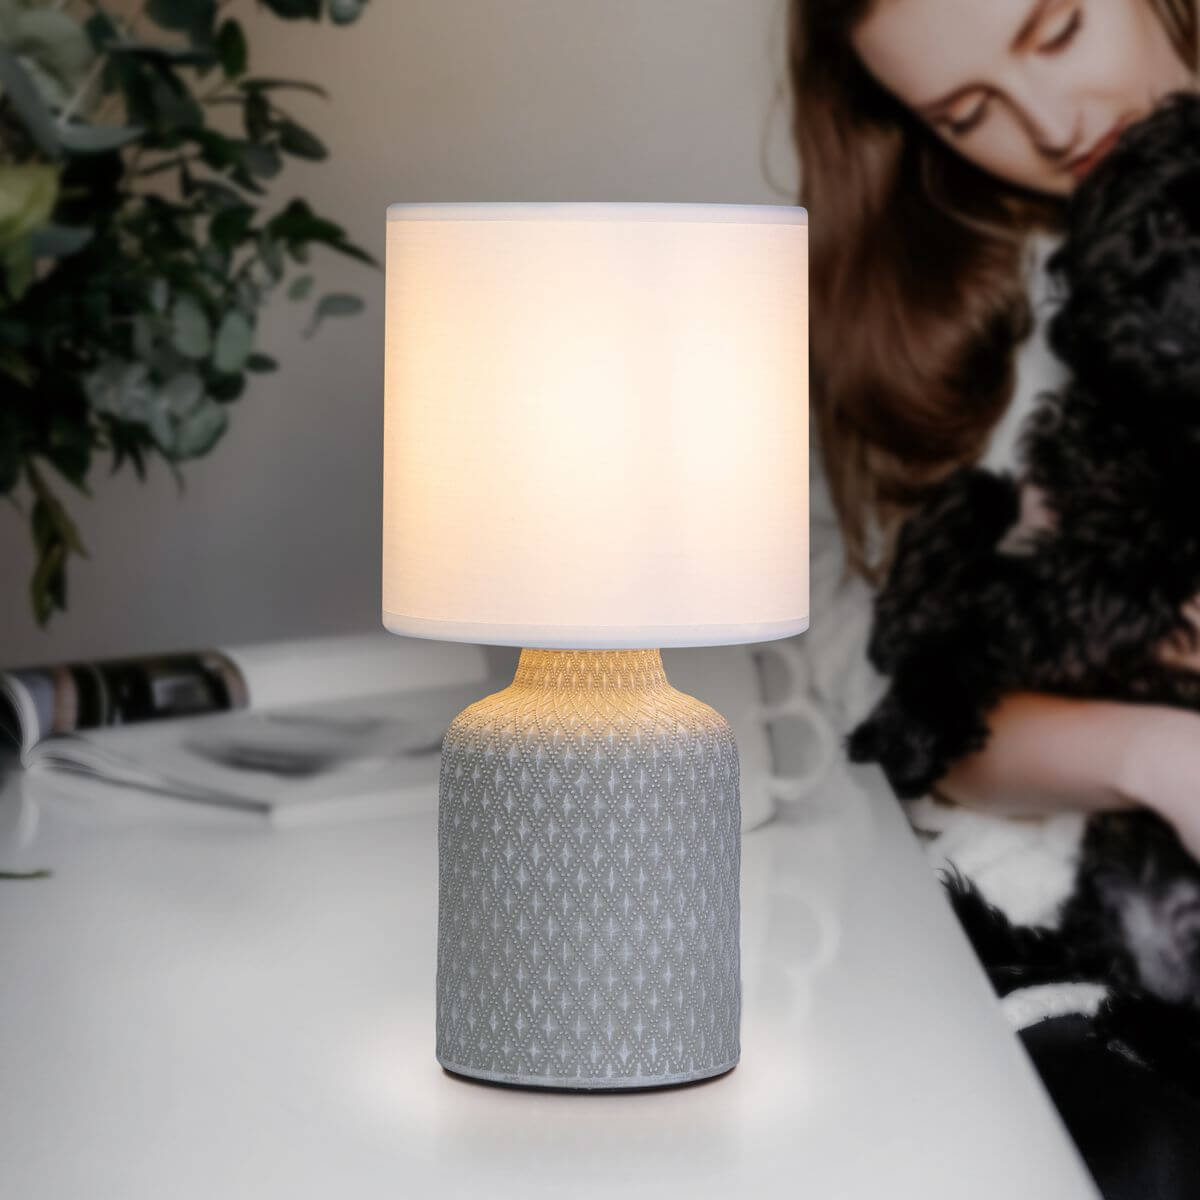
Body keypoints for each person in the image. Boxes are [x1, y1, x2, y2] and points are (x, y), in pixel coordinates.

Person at [787, 2, 1200, 1194]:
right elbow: (880, 705)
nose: (1054, 124)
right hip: (1060, 925)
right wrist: (1152, 754)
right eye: (964, 113)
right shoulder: (913, 328)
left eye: (1057, 31)